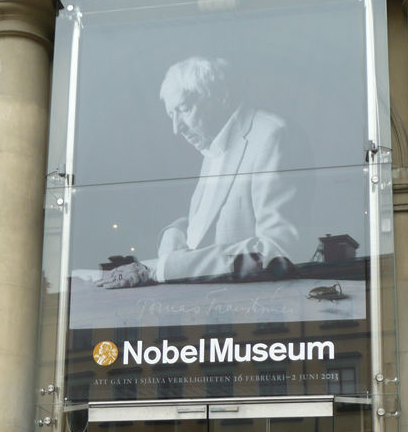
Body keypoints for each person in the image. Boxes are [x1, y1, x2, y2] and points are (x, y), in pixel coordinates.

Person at [97, 56, 299, 289]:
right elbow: (215, 220)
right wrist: (176, 230)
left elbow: (276, 251)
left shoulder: (271, 136)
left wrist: (166, 267)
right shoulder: (213, 142)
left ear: (221, 97)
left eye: (184, 109)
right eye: (171, 115)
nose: (176, 128)